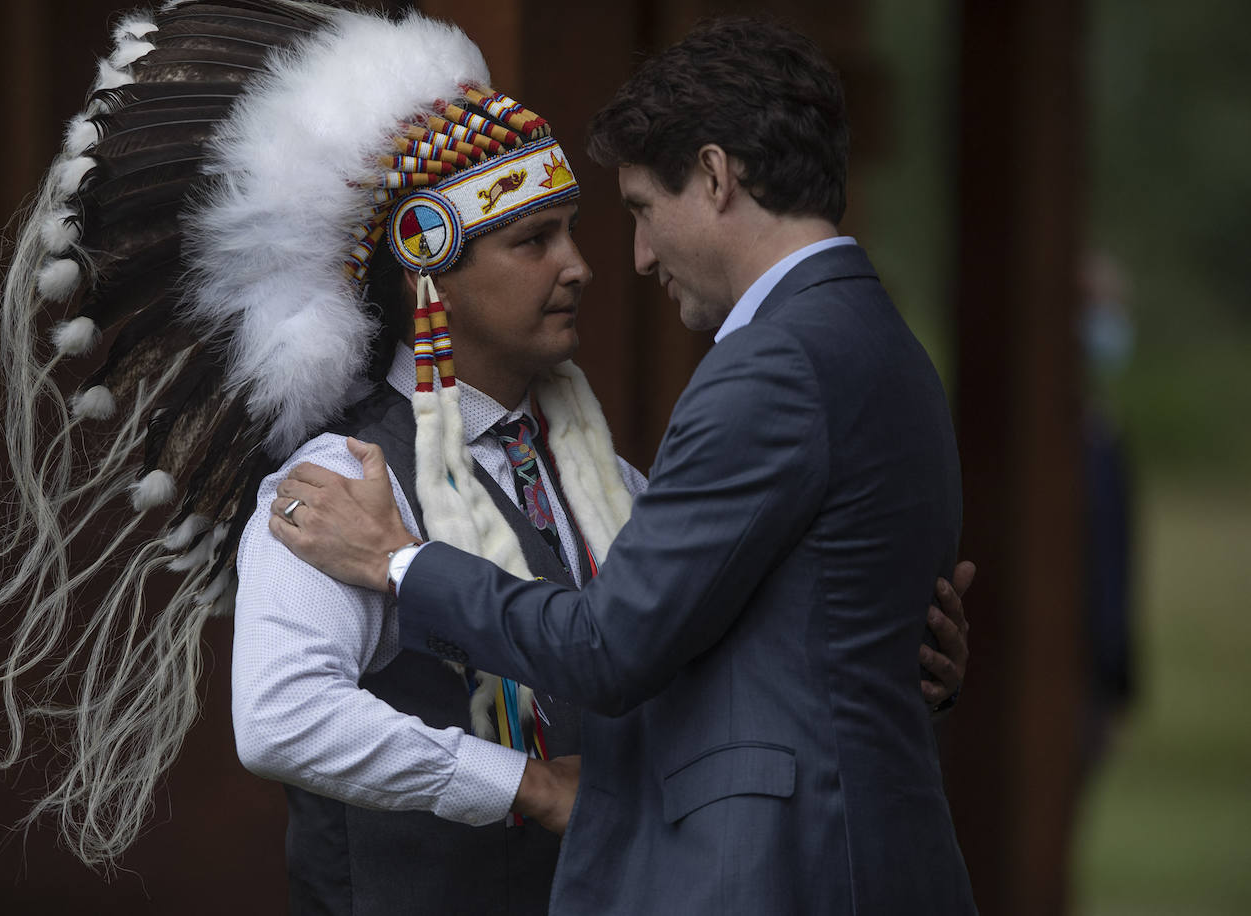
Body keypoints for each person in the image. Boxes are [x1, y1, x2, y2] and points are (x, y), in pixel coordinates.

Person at [0, 1, 969, 911]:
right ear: (431, 271)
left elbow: (663, 643)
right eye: (534, 240)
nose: (586, 266)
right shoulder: (340, 480)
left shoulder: (607, 482)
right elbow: (280, 714)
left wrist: (861, 641)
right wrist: (526, 786)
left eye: (577, 229)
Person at [270, 17, 977, 915]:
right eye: (536, 241)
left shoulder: (770, 365)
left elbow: (612, 646)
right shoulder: (885, 345)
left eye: (641, 209)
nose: (630, 259)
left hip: (777, 871)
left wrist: (397, 563)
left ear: (716, 176)